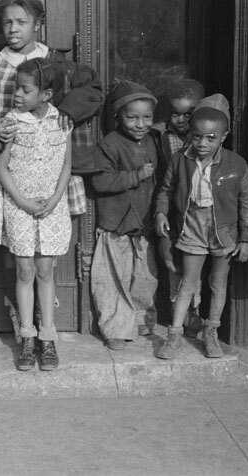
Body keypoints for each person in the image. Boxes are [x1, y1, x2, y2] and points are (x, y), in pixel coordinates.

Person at [0, 59, 73, 371]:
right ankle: (27, 336)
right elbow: (1, 168)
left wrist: (55, 199)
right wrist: (23, 201)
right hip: (19, 206)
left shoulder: (63, 122)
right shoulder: (11, 122)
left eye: (25, 89)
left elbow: (66, 166)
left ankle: (48, 336)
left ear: (46, 94)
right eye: (16, 87)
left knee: (46, 271)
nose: (17, 94)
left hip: (51, 207)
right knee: (24, 271)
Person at [0, 0, 103, 213]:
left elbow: (93, 90)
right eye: (7, 22)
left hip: (53, 164)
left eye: (21, 22)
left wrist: (69, 110)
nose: (13, 28)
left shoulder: (56, 61)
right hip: (14, 162)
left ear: (37, 25)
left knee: (53, 226)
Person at [154, 94, 248, 360]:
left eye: (211, 138)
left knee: (218, 283)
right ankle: (173, 335)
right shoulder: (180, 159)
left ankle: (211, 334)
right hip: (193, 226)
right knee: (188, 282)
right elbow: (165, 190)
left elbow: (246, 203)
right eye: (197, 136)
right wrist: (161, 213)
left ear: (224, 135)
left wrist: (245, 238)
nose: (202, 143)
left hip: (223, 230)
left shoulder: (237, 164)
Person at [90, 80, 166, 350]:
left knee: (145, 277)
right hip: (116, 225)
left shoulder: (155, 141)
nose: (140, 124)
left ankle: (142, 321)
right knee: (112, 280)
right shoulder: (109, 144)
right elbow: (100, 182)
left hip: (143, 223)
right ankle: (115, 328)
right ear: (118, 116)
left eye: (147, 117)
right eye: (132, 117)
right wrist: (136, 176)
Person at [152, 78, 206, 335]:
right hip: (172, 209)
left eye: (188, 114)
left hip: (197, 212)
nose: (181, 120)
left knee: (194, 264)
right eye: (176, 113)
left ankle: (194, 311)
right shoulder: (163, 136)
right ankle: (176, 311)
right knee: (171, 260)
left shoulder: (205, 140)